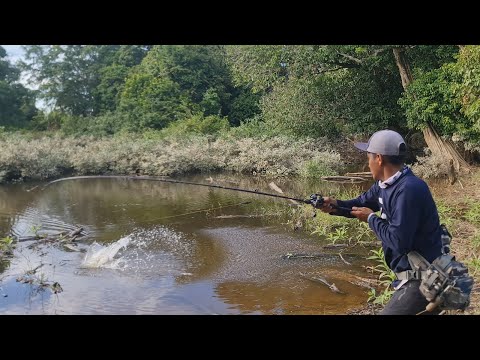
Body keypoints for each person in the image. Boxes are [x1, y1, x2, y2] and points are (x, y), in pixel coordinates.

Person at [319, 129, 443, 315]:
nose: (367, 163)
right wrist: (334, 205)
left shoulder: (408, 190)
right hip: (410, 275)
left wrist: (371, 218)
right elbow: (360, 204)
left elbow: (399, 242)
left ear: (378, 158)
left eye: (368, 157)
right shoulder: (385, 184)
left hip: (424, 278)